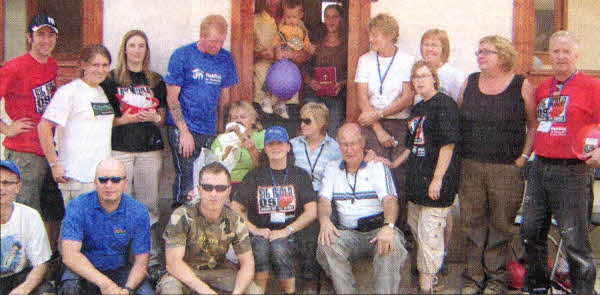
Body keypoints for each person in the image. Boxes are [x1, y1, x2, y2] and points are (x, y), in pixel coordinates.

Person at [520, 30, 600, 294]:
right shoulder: (543, 88)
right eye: (556, 51)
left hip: (572, 173)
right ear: (550, 56)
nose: (561, 56)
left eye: (567, 51)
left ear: (576, 56)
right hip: (540, 169)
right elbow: (538, 125)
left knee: (575, 242)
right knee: (530, 232)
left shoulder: (592, 87)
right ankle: (539, 287)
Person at [457, 35, 536, 294]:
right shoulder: (469, 82)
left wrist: (523, 157)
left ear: (502, 55)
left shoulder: (521, 85)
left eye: (487, 52)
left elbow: (533, 126)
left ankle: (496, 280)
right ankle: (473, 279)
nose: (480, 56)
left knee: (501, 225)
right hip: (471, 166)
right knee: (472, 224)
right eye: (478, 51)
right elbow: (458, 120)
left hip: (506, 169)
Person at [382, 61, 460, 292]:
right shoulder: (417, 109)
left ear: (434, 78)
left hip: (436, 183)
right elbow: (410, 144)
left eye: (424, 76)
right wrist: (394, 163)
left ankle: (427, 284)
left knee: (429, 233)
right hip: (416, 181)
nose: (420, 80)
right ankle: (431, 274)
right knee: (418, 228)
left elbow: (448, 145)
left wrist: (437, 179)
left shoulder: (445, 105)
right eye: (416, 77)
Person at [99, 29, 167, 279]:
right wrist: (123, 120)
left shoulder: (156, 80)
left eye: (141, 46)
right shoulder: (111, 79)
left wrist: (155, 117)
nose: (136, 50)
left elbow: (163, 118)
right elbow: (102, 118)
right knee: (119, 203)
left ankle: (152, 258)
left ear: (146, 51)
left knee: (148, 204)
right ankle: (121, 256)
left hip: (150, 149)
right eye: (132, 45)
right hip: (120, 149)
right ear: (124, 49)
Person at [316, 123, 407, 294]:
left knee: (391, 243)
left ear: (363, 143)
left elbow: (390, 200)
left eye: (353, 143)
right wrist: (324, 220)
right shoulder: (332, 168)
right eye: (344, 144)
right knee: (326, 244)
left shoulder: (376, 166)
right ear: (338, 145)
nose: (349, 149)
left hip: (378, 229)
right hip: (349, 233)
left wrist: (388, 227)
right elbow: (324, 200)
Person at [0, 13, 63, 252]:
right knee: (24, 212)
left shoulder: (52, 64)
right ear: (29, 38)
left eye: (50, 34)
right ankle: (20, 265)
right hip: (25, 153)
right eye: (40, 35)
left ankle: (47, 261)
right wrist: (7, 128)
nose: (46, 40)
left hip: (50, 150)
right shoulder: (13, 67)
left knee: (52, 210)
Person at [231, 126, 317, 294]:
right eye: (270, 144)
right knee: (261, 247)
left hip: (292, 233)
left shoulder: (300, 175)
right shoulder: (254, 176)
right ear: (265, 149)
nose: (275, 148)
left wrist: (286, 230)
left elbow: (311, 211)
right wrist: (254, 229)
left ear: (288, 147)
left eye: (280, 143)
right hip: (260, 233)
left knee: (279, 247)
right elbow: (235, 208)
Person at [164, 14, 238, 208]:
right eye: (213, 41)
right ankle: (178, 229)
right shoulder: (182, 55)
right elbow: (172, 98)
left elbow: (225, 98)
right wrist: (184, 131)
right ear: (202, 36)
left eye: (221, 42)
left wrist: (222, 131)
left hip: (209, 130)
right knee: (187, 182)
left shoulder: (225, 58)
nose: (217, 46)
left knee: (208, 183)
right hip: (184, 127)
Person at [156, 162, 263, 294]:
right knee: (170, 291)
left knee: (254, 292)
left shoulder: (235, 221)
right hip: (185, 270)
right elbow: (173, 264)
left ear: (229, 191)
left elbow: (247, 264)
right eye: (207, 188)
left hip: (219, 271)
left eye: (220, 188)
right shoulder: (182, 216)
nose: (214, 194)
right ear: (199, 190)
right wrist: (206, 292)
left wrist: (237, 292)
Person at [355, 14, 415, 233]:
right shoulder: (365, 60)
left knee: (399, 175)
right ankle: (375, 228)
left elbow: (407, 97)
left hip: (399, 123)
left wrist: (378, 114)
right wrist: (378, 128)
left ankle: (398, 230)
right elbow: (362, 97)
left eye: (376, 35)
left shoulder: (407, 60)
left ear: (390, 36)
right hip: (372, 126)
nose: (371, 40)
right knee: (374, 172)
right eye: (370, 35)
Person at [58, 158, 153, 295]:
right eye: (103, 180)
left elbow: (141, 262)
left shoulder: (138, 212)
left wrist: (127, 290)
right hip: (83, 270)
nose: (109, 185)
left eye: (115, 180)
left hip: (120, 271)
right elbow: (70, 256)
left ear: (125, 183)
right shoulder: (77, 206)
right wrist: (105, 284)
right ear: (95, 183)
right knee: (70, 289)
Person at [37, 44, 114, 205]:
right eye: (95, 65)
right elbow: (43, 126)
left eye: (105, 65)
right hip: (77, 177)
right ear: (83, 65)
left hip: (99, 177)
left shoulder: (100, 92)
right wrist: (54, 164)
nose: (100, 70)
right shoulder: (69, 92)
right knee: (79, 227)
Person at [418, 28, 466, 273]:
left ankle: (443, 256)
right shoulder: (420, 74)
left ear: (444, 49)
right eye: (426, 44)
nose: (429, 48)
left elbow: (458, 106)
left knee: (442, 205)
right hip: (424, 149)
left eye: (435, 45)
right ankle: (429, 257)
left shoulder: (453, 75)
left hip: (445, 147)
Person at [289, 102, 342, 291]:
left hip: (323, 197)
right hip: (298, 198)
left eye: (307, 121)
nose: (302, 124)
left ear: (321, 124)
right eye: (301, 120)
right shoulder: (292, 145)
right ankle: (311, 281)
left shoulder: (335, 148)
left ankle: (320, 279)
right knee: (308, 228)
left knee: (324, 227)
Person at [253, 0, 311, 137]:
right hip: (262, 97)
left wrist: (288, 54)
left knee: (287, 142)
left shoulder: (298, 23)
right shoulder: (254, 20)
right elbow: (242, 55)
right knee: (263, 144)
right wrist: (263, 54)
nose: (273, 1)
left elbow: (305, 54)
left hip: (289, 96)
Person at [0, 160, 52, 295]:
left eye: (6, 183)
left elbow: (41, 264)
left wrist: (24, 289)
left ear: (18, 187)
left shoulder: (30, 216)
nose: (1, 188)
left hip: (19, 278)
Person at [302, 4, 347, 138]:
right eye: (327, 17)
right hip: (314, 94)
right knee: (311, 131)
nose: (331, 21)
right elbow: (304, 69)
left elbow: (353, 73)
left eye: (335, 17)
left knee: (333, 132)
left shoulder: (348, 45)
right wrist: (310, 82)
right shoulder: (316, 44)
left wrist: (342, 83)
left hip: (336, 95)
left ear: (341, 20)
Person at [211, 100, 265, 192]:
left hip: (251, 184)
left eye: (243, 117)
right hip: (225, 184)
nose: (238, 120)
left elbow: (264, 168)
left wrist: (251, 149)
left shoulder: (262, 136)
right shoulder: (222, 138)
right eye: (234, 118)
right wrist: (228, 145)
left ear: (253, 120)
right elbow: (213, 168)